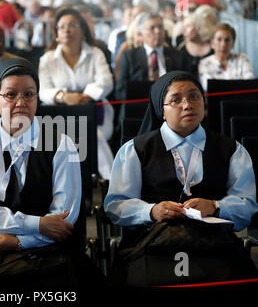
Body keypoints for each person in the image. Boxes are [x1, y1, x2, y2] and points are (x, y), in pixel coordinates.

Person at [0, 58, 105, 290]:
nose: (20, 103)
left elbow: (64, 220)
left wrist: (18, 242)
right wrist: (38, 224)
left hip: (52, 249)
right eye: (10, 95)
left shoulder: (62, 144)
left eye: (29, 94)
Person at [105, 71, 258, 286]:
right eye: (176, 100)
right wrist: (151, 210)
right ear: (162, 111)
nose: (187, 105)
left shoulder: (231, 150)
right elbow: (115, 205)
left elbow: (248, 206)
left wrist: (215, 206)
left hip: (214, 244)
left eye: (194, 96)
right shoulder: (135, 150)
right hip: (153, 243)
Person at [38, 8, 115, 180]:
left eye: (72, 25)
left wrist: (84, 97)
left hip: (95, 112)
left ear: (83, 31)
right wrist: (63, 97)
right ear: (56, 34)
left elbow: (106, 82)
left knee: (95, 135)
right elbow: (42, 91)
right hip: (60, 115)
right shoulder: (47, 59)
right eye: (62, 27)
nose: (66, 30)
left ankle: (108, 183)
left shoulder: (96, 53)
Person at [198, 23, 255, 91]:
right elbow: (207, 88)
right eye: (219, 39)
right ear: (212, 43)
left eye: (227, 40)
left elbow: (250, 85)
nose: (223, 44)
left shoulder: (242, 59)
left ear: (233, 43)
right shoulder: (204, 64)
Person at [177, 11, 214, 77]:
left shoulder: (214, 47)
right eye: (183, 26)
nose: (183, 30)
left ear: (199, 27)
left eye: (188, 26)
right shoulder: (181, 50)